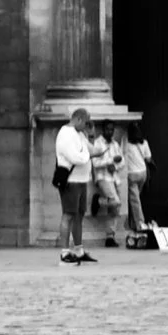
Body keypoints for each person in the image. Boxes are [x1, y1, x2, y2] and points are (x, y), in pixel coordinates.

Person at [53, 110, 93, 263]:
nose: (86, 126)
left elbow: (90, 149)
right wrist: (87, 155)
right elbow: (76, 157)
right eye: (85, 123)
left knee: (79, 215)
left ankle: (79, 250)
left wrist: (90, 134)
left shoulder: (80, 134)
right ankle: (64, 252)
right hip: (71, 181)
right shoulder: (65, 134)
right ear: (78, 119)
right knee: (68, 215)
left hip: (82, 180)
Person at [119, 115, 152, 249]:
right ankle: (134, 223)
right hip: (143, 173)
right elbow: (148, 158)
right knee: (136, 200)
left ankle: (139, 223)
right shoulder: (144, 142)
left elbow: (121, 154)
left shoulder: (126, 141)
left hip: (132, 174)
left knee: (134, 201)